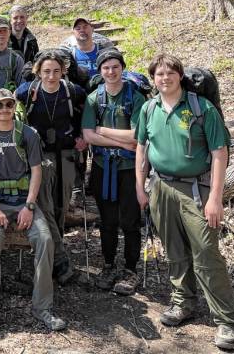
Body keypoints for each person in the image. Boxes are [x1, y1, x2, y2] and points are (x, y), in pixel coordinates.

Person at [135, 54, 234, 350]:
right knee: (174, 249)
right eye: (159, 74)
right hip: (161, 187)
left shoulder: (201, 108)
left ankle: (227, 320)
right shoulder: (148, 108)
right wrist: (140, 187)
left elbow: (220, 153)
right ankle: (183, 302)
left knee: (206, 252)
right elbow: (142, 148)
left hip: (197, 190)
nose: (164, 78)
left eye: (170, 73)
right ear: (153, 79)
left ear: (180, 76)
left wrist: (216, 200)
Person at [0, 89, 66, 338]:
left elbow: (36, 171)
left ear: (14, 106)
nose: (4, 109)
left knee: (45, 240)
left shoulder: (28, 134)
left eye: (8, 104)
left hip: (25, 202)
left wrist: (30, 206)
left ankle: (42, 306)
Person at [15, 50, 87, 284]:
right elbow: (17, 119)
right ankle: (60, 259)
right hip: (40, 155)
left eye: (56, 71)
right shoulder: (28, 93)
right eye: (46, 71)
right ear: (38, 71)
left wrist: (81, 136)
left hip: (66, 153)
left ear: (63, 71)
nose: (51, 76)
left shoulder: (72, 92)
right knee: (44, 204)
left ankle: (51, 253)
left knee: (61, 204)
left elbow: (83, 116)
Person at [81, 48, 144, 295]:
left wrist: (103, 131)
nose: (111, 71)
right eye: (106, 68)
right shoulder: (93, 99)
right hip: (102, 168)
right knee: (107, 221)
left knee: (130, 220)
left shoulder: (135, 98)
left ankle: (130, 269)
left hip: (130, 169)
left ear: (122, 68)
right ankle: (108, 265)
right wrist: (121, 141)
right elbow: (87, 135)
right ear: (100, 71)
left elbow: (137, 136)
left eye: (115, 67)